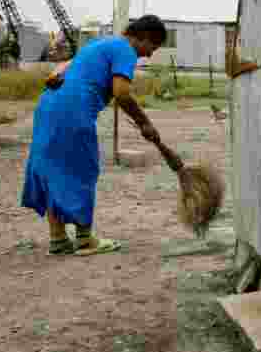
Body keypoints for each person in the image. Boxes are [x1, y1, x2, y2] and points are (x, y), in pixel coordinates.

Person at [21, 15, 169, 256]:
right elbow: (121, 93)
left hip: (48, 107)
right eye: (153, 47)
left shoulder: (99, 44)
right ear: (144, 38)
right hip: (73, 111)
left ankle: (58, 239)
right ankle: (84, 239)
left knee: (53, 170)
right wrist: (145, 123)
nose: (150, 54)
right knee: (82, 168)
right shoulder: (125, 49)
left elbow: (62, 71)